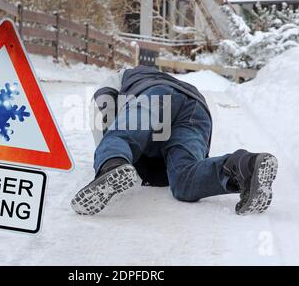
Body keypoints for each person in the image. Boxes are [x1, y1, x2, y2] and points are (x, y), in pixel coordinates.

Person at [71, 66, 278, 216]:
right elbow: (163, 176)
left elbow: (102, 108)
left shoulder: (120, 75)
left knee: (119, 136)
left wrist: (107, 156)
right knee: (184, 180)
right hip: (196, 108)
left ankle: (111, 164)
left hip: (157, 95)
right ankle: (244, 167)